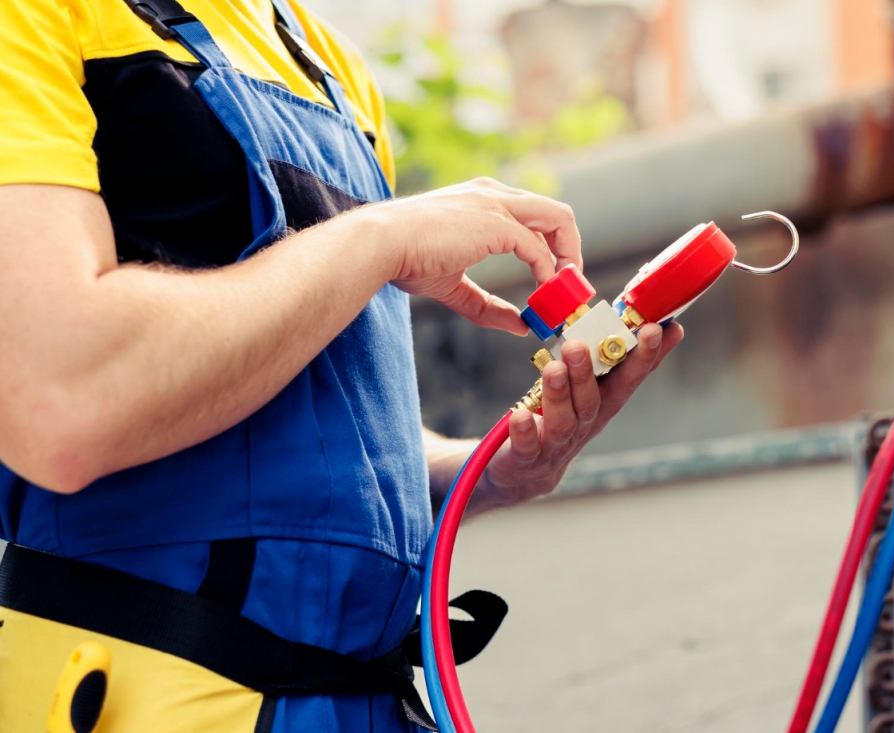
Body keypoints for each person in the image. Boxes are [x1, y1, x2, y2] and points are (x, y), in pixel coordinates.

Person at [0, 1, 683, 731]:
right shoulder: (36, 16)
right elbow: (57, 399)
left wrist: (483, 469)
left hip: (360, 703)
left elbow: (318, 435)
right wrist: (381, 238)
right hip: (145, 690)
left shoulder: (331, 65)